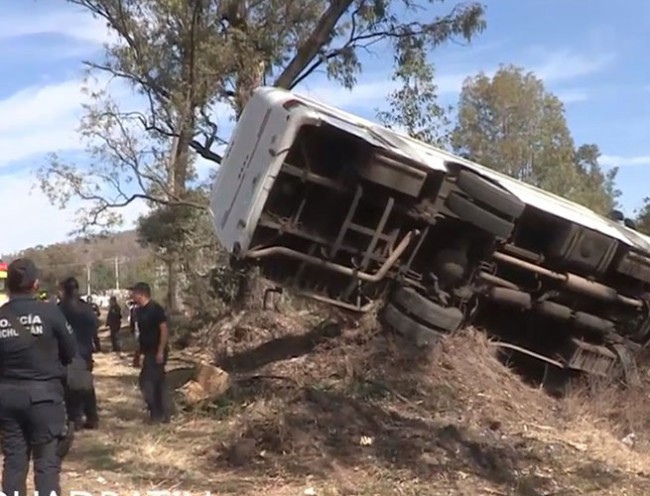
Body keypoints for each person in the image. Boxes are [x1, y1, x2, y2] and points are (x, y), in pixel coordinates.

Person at [0, 258, 78, 496]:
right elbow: (71, 351)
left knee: (13, 460)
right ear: (35, 284)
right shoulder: (50, 313)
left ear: (7, 286)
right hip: (45, 397)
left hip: (7, 398)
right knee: (47, 462)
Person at [58, 277, 101, 430]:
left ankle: (75, 419)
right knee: (87, 386)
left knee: (69, 387)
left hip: (66, 353)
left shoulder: (60, 308)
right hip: (85, 352)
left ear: (64, 290)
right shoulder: (87, 308)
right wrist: (96, 345)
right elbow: (95, 327)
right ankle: (92, 417)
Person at [129, 282, 172, 424]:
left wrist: (160, 351)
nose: (131, 295)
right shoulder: (139, 311)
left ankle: (160, 414)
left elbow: (164, 330)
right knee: (149, 382)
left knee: (151, 382)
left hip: (157, 351)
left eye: (134, 292)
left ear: (141, 294)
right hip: (147, 351)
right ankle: (158, 413)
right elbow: (141, 334)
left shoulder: (155, 309)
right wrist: (139, 354)